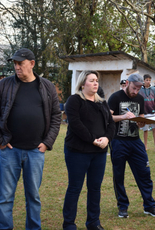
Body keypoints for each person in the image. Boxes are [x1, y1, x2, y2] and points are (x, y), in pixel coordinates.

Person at [0, 48, 62, 230]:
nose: (17, 67)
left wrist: (47, 142)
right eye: (15, 64)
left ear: (32, 64)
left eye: (20, 63)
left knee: (33, 197)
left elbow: (55, 116)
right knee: (5, 197)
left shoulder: (46, 86)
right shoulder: (4, 85)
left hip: (36, 152)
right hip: (10, 151)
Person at [62, 70, 115, 230]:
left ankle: (93, 222)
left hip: (99, 153)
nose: (95, 83)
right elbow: (76, 124)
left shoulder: (102, 103)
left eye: (96, 80)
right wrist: (93, 139)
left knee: (95, 188)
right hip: (77, 151)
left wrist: (106, 138)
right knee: (75, 187)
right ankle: (69, 223)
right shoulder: (74, 100)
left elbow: (111, 124)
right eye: (91, 80)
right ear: (82, 83)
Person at [108, 73, 155, 219]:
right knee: (119, 175)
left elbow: (141, 116)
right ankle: (123, 206)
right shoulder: (115, 97)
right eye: (134, 88)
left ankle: (149, 206)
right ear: (127, 83)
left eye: (138, 89)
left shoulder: (140, 98)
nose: (136, 91)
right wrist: (123, 117)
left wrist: (141, 122)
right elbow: (108, 118)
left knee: (144, 173)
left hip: (135, 141)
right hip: (118, 141)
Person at [139, 74, 155, 152]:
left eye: (149, 80)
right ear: (144, 80)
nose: (148, 81)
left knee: (154, 129)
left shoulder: (153, 89)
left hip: (153, 112)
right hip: (144, 113)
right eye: (147, 80)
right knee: (145, 130)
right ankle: (145, 147)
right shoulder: (140, 89)